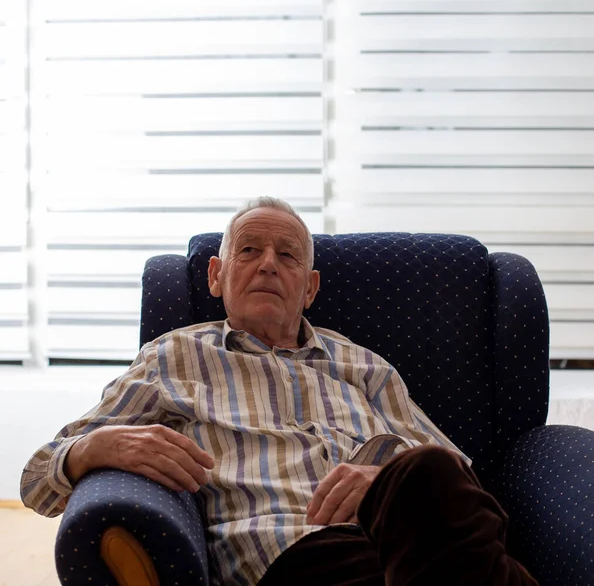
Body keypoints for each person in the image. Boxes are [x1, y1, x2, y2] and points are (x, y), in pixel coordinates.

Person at [21, 197, 538, 586]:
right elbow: (37, 482)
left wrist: (384, 486)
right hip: (297, 557)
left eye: (287, 255)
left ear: (309, 288)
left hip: (410, 543)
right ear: (217, 276)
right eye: (250, 250)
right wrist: (94, 447)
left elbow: (461, 477)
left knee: (429, 471)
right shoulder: (172, 358)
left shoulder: (363, 365)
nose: (268, 262)